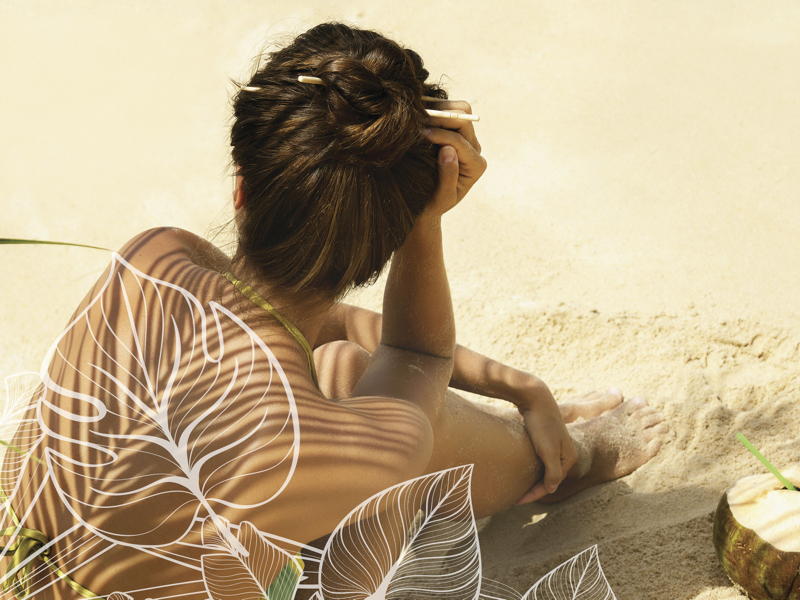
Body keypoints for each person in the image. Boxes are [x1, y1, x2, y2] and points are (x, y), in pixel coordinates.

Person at [0, 21, 669, 598]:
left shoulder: (153, 259)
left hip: (23, 571)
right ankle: (560, 463)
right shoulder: (330, 443)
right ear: (385, 239)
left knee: (356, 378)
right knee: (391, 419)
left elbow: (322, 330)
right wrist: (424, 223)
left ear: (242, 188)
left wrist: (521, 387)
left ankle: (535, 443)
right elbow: (415, 354)